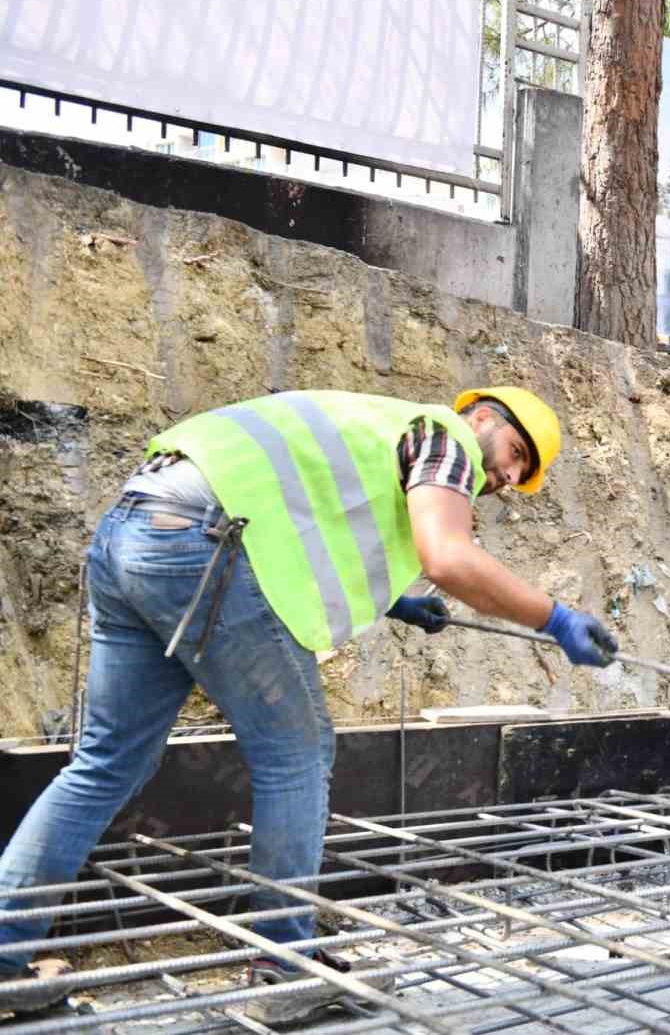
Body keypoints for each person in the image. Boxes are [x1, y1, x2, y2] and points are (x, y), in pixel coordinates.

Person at [0, 387, 617, 1022]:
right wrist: (556, 618)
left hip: (134, 529)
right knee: (296, 756)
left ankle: (2, 959)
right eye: (516, 453)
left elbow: (306, 516)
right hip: (205, 544)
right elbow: (449, 556)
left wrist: (396, 601)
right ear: (482, 418)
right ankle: (283, 965)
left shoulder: (372, 427)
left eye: (521, 474)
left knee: (106, 762)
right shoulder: (444, 437)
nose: (509, 477)